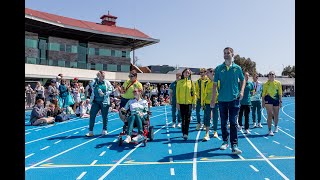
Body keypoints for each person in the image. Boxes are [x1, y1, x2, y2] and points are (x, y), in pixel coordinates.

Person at [210, 47, 245, 154]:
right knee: (224, 122)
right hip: (222, 100)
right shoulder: (219, 68)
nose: (226, 55)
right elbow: (215, 85)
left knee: (233, 122)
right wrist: (212, 99)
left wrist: (242, 91)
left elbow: (243, 80)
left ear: (232, 54)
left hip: (234, 100)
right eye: (224, 53)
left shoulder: (237, 68)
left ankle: (234, 145)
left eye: (228, 53)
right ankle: (225, 141)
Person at [86, 71, 113, 137]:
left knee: (104, 116)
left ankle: (104, 129)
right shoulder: (95, 81)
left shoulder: (107, 82)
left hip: (104, 101)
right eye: (102, 76)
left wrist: (105, 94)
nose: (103, 77)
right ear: (99, 76)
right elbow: (91, 84)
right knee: (92, 115)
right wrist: (96, 78)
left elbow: (111, 89)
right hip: (96, 101)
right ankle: (90, 131)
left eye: (104, 76)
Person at [176, 68, 196, 140]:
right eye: (185, 72)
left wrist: (194, 103)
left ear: (189, 74)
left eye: (188, 73)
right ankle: (183, 132)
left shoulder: (191, 82)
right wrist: (177, 103)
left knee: (187, 119)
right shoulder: (179, 82)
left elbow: (194, 93)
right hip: (181, 103)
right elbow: (177, 93)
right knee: (183, 118)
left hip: (189, 103)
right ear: (183, 73)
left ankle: (186, 133)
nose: (187, 74)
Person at [262, 71, 283, 136]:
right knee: (270, 114)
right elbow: (263, 94)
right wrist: (263, 102)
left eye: (272, 74)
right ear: (268, 76)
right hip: (268, 99)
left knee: (276, 114)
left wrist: (280, 101)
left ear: (275, 75)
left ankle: (276, 126)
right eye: (270, 74)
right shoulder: (265, 84)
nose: (271, 75)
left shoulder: (278, 83)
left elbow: (280, 93)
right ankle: (269, 130)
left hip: (276, 99)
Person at [202, 68, 219, 140]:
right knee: (207, 117)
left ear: (212, 73)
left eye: (208, 72)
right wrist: (202, 103)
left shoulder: (218, 81)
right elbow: (203, 93)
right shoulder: (205, 82)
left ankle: (215, 131)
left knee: (215, 117)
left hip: (216, 102)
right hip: (207, 102)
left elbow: (219, 91)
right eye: (206, 73)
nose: (206, 74)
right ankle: (207, 133)